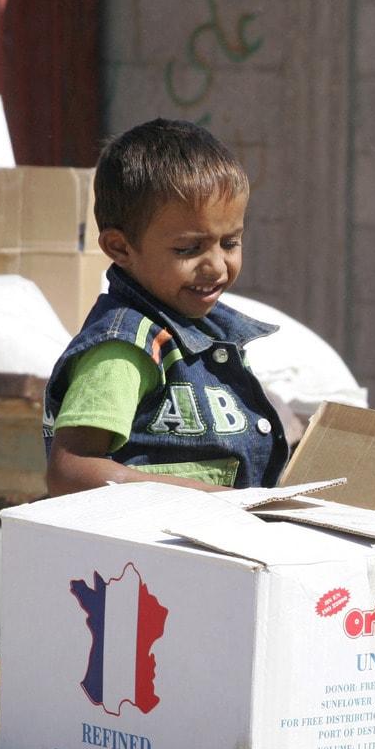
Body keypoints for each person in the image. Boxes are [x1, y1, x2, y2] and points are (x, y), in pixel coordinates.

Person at [44, 118, 288, 496]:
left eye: (230, 243)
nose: (216, 266)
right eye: (188, 249)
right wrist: (215, 501)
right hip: (147, 554)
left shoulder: (212, 332)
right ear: (120, 248)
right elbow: (70, 471)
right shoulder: (124, 348)